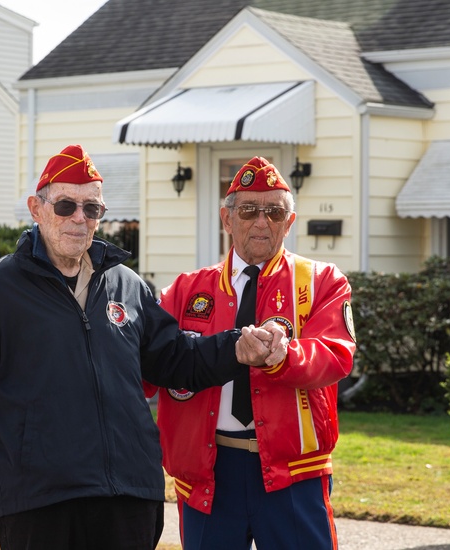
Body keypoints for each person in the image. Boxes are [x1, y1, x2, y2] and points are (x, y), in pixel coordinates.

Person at [0, 145, 286, 549]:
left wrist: (237, 348)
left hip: (129, 496)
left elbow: (175, 360)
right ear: (36, 209)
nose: (79, 218)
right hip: (39, 500)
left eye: (92, 209)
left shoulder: (127, 284)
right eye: (66, 206)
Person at [152, 156, 356, 549]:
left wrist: (284, 357)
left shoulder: (323, 282)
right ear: (227, 220)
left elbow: (335, 354)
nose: (261, 222)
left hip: (294, 473)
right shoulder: (183, 291)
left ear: (289, 222)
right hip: (208, 473)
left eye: (274, 212)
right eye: (248, 210)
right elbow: (149, 362)